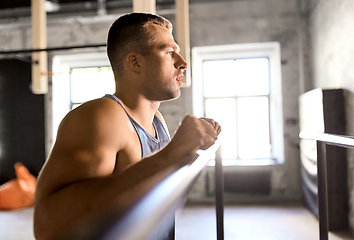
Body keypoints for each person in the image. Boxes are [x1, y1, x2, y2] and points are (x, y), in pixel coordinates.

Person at [34, 13, 221, 240]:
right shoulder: (103, 116)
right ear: (135, 62)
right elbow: (48, 226)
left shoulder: (156, 120)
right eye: (169, 52)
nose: (183, 62)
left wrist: (190, 146)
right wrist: (171, 155)